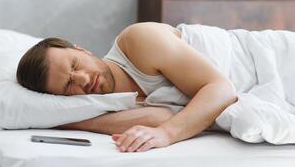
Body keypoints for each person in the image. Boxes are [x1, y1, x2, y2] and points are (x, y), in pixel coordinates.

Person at [16, 22, 237, 152]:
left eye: (75, 65)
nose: (82, 79)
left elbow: (221, 89)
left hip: (259, 59)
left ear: (82, 50)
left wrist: (166, 135)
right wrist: (68, 122)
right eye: (68, 85)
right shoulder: (103, 105)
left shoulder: (138, 41)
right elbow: (162, 116)